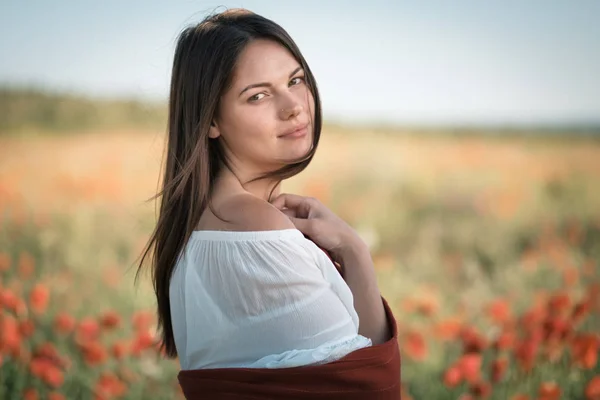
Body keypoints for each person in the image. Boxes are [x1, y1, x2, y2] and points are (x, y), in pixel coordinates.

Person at [136, 7, 401, 399]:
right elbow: (364, 388)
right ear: (211, 120)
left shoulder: (204, 220)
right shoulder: (254, 225)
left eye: (295, 80)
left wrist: (353, 249)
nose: (293, 105)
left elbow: (353, 365)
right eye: (258, 95)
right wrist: (354, 252)